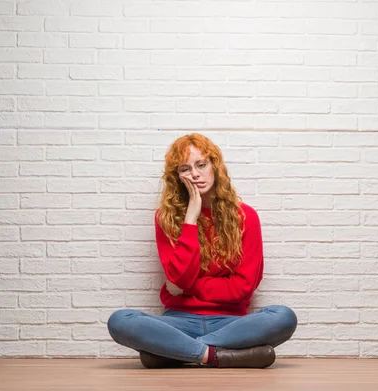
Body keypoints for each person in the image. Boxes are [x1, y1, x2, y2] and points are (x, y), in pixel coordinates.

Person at [107, 133, 298, 369]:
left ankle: (176, 351)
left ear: (214, 166)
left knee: (283, 316)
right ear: (177, 177)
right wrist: (190, 219)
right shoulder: (166, 219)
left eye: (201, 165)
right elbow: (179, 277)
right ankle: (215, 355)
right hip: (179, 320)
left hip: (231, 323)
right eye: (185, 168)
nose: (195, 174)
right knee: (120, 321)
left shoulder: (246, 216)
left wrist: (188, 288)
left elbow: (243, 287)